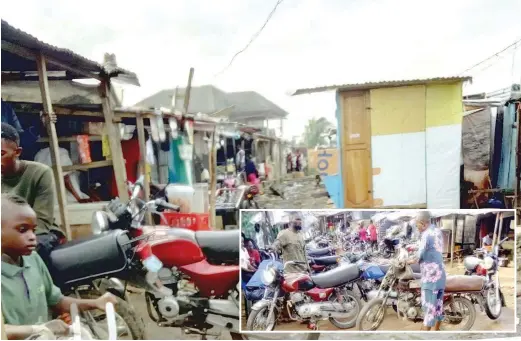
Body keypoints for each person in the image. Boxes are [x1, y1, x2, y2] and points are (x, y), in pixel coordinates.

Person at [1, 193, 118, 340]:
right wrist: (39, 329)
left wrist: (96, 303)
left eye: (33, 230)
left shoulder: (33, 259)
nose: (32, 236)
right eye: (22, 229)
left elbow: (56, 301)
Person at [1, 123, 65, 265]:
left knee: (31, 250)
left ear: (17, 152)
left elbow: (42, 221)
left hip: (39, 233)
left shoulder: (40, 173)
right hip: (5, 235)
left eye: (1, 154)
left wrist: (11, 241)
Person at [408, 211, 446, 331]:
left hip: (431, 278)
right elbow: (430, 248)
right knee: (438, 308)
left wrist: (406, 261)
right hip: (440, 275)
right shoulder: (436, 230)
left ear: (423, 223)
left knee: (429, 312)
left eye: (417, 225)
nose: (417, 227)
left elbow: (417, 257)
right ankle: (436, 332)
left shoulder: (426, 235)